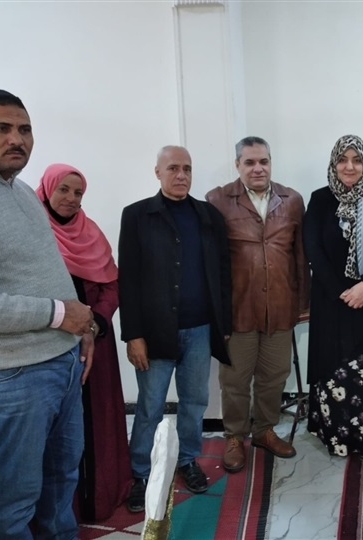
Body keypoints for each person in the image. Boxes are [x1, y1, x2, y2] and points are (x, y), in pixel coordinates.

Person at [0, 88, 95, 539]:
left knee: (61, 485)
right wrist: (61, 314)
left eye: (24, 129)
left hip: (63, 364)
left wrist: (82, 329)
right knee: (11, 505)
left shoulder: (22, 192)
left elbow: (47, 273)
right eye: (2, 128)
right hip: (12, 377)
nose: (16, 139)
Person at [118, 145, 232, 512]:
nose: (181, 175)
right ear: (158, 172)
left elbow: (222, 273)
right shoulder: (137, 216)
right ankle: (141, 472)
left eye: (187, 168)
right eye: (173, 168)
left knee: (195, 402)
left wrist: (224, 325)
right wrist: (133, 335)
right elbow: (128, 280)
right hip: (154, 333)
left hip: (200, 330)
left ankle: (187, 460)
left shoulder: (208, 215)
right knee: (150, 405)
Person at [206, 136, 309, 472]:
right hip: (239, 309)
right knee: (235, 380)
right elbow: (211, 263)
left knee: (274, 375)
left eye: (263, 161)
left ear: (270, 162)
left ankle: (264, 430)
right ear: (237, 165)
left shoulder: (291, 200)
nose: (258, 168)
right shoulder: (218, 200)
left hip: (280, 306)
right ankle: (235, 437)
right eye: (249, 162)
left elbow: (300, 255)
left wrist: (302, 303)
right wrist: (217, 313)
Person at [36, 163, 132, 522]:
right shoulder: (33, 231)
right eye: (63, 189)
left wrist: (94, 323)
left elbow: (111, 285)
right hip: (46, 346)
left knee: (97, 420)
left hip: (95, 344)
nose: (71, 198)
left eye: (78, 192)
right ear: (47, 189)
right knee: (54, 430)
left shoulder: (90, 232)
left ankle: (100, 498)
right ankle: (61, 512)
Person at [304, 134, 363, 459]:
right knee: (332, 366)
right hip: (331, 302)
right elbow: (312, 248)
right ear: (334, 164)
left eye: (356, 160)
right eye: (343, 160)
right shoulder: (320, 199)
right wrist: (340, 291)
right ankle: (335, 436)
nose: (350, 166)